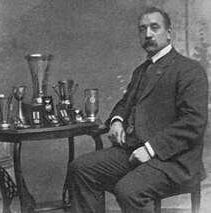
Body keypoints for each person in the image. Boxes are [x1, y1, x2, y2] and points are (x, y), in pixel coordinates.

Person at [67, 6, 208, 213]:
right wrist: (116, 120)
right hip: (134, 151)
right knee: (80, 168)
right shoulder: (141, 71)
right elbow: (125, 103)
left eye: (154, 27)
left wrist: (151, 149)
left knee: (129, 191)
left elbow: (193, 123)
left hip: (173, 160)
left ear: (169, 33)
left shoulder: (189, 69)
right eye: (143, 29)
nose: (148, 34)